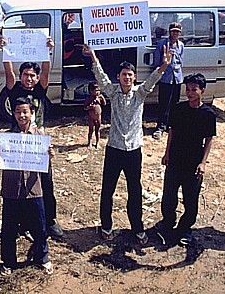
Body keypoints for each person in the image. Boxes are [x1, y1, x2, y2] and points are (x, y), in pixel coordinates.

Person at [84, 44, 171, 245]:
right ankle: (106, 226)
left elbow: (152, 81)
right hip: (114, 149)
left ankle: (137, 228)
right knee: (108, 189)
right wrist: (94, 56)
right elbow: (101, 78)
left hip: (134, 150)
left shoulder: (140, 93)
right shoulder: (113, 93)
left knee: (134, 190)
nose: (127, 78)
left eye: (130, 75)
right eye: (124, 74)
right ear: (119, 77)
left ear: (134, 77)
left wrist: (164, 66)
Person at [1, 37, 63, 238]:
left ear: (36, 78)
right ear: (20, 76)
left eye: (32, 76)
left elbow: (46, 71)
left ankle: (50, 221)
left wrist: (47, 51)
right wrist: (5, 50)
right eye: (25, 75)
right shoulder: (14, 89)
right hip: (17, 141)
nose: (29, 78)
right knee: (20, 183)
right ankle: (23, 223)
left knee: (45, 181)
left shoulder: (39, 89)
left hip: (38, 140)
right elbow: (8, 72)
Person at [0, 96, 55, 276]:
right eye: (18, 112)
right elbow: (1, 162)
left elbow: (45, 164)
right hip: (12, 189)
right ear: (13, 113)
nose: (22, 115)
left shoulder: (40, 137)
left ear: (32, 113)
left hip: (34, 189)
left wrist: (49, 156)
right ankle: (8, 262)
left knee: (40, 226)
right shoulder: (7, 137)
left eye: (25, 112)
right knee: (9, 228)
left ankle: (42, 257)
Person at [157, 73, 216, 247]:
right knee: (169, 196)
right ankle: (168, 222)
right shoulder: (178, 109)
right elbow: (172, 132)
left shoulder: (208, 114)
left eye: (194, 89)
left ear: (202, 91)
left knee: (191, 199)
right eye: (188, 89)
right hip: (175, 160)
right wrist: (166, 153)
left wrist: (203, 162)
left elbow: (209, 139)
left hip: (193, 164)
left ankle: (185, 229)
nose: (190, 93)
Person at [152, 22, 184, 140]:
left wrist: (176, 55)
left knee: (175, 103)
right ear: (169, 32)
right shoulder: (162, 44)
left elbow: (181, 61)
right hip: (166, 77)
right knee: (164, 103)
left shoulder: (180, 45)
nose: (175, 33)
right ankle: (161, 126)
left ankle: (171, 125)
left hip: (177, 77)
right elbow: (156, 62)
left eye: (177, 31)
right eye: (173, 31)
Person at [84, 82, 105, 148]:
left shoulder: (99, 97)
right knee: (91, 130)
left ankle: (97, 142)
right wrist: (89, 107)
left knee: (97, 129)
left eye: (99, 90)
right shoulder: (89, 98)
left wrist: (102, 98)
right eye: (96, 90)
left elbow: (104, 104)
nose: (98, 92)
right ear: (91, 91)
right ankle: (89, 142)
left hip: (98, 116)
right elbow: (85, 108)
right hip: (91, 116)